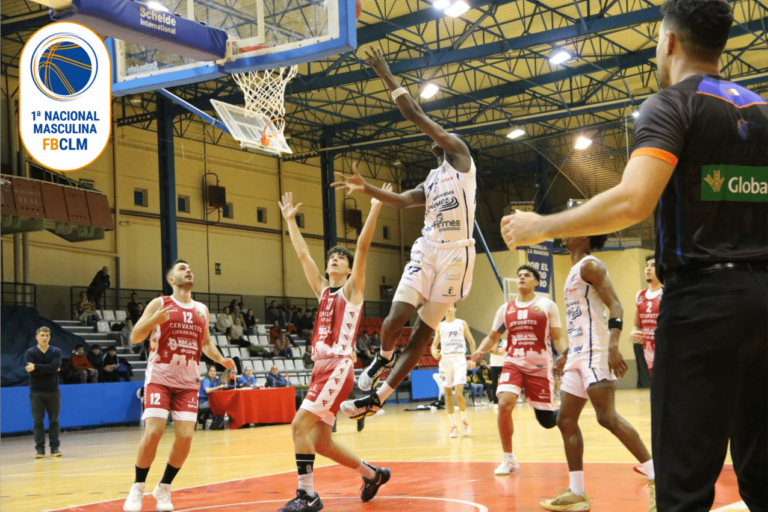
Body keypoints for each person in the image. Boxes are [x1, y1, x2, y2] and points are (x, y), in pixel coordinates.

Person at [501, 1, 767, 509]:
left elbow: (632, 200)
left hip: (704, 305)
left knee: (684, 483)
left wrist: (542, 225)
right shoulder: (761, 110)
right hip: (766, 299)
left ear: (668, 41)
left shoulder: (671, 105)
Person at [337, 48, 478, 420]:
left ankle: (377, 397)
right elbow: (401, 201)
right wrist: (366, 189)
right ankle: (380, 361)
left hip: (457, 256)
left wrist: (386, 73)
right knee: (394, 319)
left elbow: (415, 114)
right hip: (428, 248)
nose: (439, 138)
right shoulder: (431, 180)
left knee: (420, 334)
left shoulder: (461, 159)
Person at [276, 189, 390, 512]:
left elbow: (363, 247)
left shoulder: (352, 290)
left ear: (350, 269)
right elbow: (302, 256)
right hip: (319, 370)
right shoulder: (323, 290)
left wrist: (375, 207)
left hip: (338, 367)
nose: (333, 259)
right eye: (331, 258)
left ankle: (307, 495)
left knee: (299, 426)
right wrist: (290, 222)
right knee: (322, 441)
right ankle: (373, 474)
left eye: (340, 257)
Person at [526, 237, 654, 511]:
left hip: (596, 351)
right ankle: (577, 493)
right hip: (578, 354)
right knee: (565, 420)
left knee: (606, 417)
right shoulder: (572, 270)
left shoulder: (591, 266)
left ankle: (658, 477)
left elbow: (616, 306)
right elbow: (582, 319)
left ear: (584, 236)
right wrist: (566, 353)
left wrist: (613, 345)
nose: (564, 233)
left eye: (571, 228)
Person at [123, 260, 235, 512]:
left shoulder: (202, 309)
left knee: (185, 438)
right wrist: (153, 321)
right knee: (154, 432)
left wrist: (220, 358)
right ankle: (138, 487)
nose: (188, 271)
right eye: (182, 268)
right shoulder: (160, 303)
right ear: (171, 279)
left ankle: (163, 487)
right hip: (160, 378)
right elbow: (135, 337)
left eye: (190, 268)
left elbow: (206, 344)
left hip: (188, 382)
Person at [471, 265, 567, 475]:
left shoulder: (547, 306)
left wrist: (565, 355)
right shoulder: (506, 309)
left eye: (527, 276)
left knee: (548, 421)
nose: (522, 278)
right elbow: (492, 337)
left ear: (537, 282)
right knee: (504, 404)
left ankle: (569, 409)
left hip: (540, 365)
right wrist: (479, 351)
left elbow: (558, 338)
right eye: (519, 276)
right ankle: (509, 459)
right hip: (513, 362)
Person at [431, 304, 476, 438]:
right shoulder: (440, 326)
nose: (448, 308)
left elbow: (472, 342)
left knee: (458, 393)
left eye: (451, 306)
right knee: (448, 394)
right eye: (446, 306)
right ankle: (453, 426)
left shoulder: (462, 323)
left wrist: (473, 359)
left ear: (455, 309)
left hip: (459, 359)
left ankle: (465, 420)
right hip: (445, 360)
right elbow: (434, 344)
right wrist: (433, 351)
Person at [25, 326, 62, 459]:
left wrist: (36, 367)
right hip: (36, 392)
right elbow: (35, 371)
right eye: (42, 335)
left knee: (54, 421)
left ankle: (55, 448)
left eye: (47, 335)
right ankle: (40, 450)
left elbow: (54, 366)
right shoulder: (30, 352)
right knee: (38, 422)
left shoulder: (56, 351)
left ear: (49, 337)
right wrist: (50, 369)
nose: (44, 337)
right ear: (37, 337)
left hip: (53, 391)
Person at [631, 255, 662, 377]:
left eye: (653, 266)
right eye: (646, 265)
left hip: (665, 350)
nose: (648, 269)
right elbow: (636, 325)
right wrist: (634, 333)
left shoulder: (667, 293)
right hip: (648, 352)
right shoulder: (640, 295)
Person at [488, 335, 506, 408]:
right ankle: (495, 402)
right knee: (494, 384)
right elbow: (492, 350)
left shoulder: (505, 342)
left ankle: (504, 401)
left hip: (503, 365)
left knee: (504, 384)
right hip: (493, 365)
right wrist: (495, 342)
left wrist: (494, 351)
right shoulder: (490, 342)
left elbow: (501, 352)